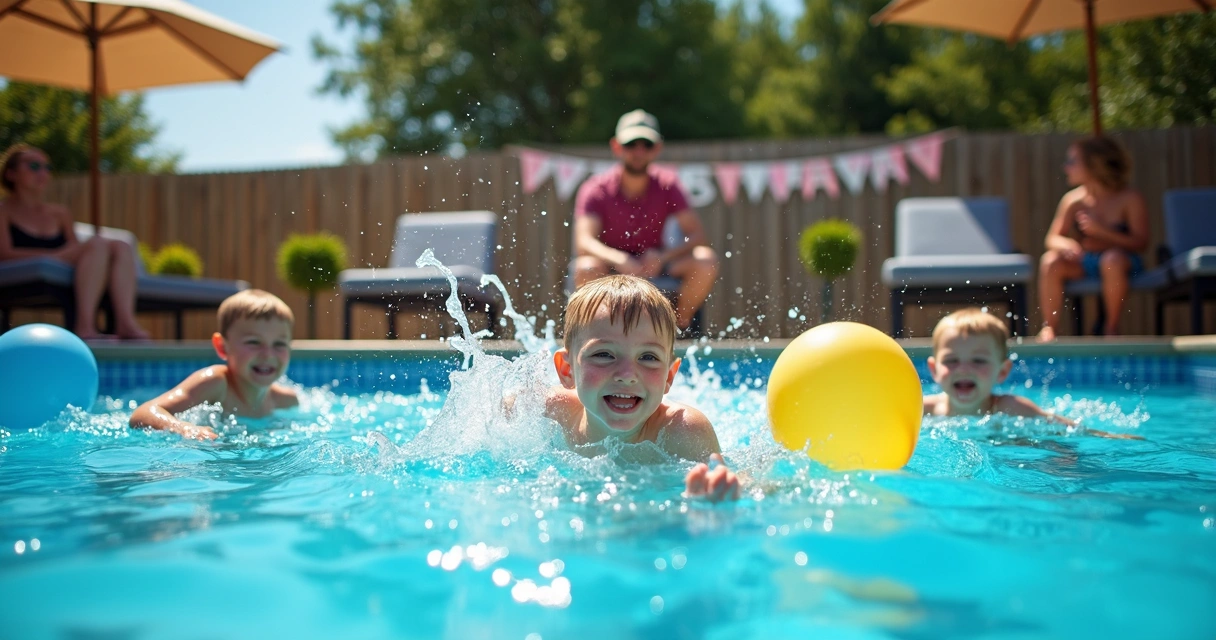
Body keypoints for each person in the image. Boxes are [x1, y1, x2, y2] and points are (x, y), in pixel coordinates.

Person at [546, 275, 740, 501]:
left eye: (648, 357)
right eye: (604, 354)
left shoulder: (683, 433)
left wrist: (714, 496)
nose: (627, 375)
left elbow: (744, 485)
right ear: (567, 370)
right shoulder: (550, 415)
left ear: (669, 375)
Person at [572, 109, 719, 333]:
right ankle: (598, 333)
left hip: (655, 265)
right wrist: (619, 259)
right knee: (586, 267)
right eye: (631, 144)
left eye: (646, 145)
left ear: (657, 148)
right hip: (611, 268)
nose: (638, 151)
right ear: (616, 146)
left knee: (706, 261)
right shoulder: (595, 189)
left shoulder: (668, 184)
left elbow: (698, 236)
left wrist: (661, 257)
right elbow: (584, 242)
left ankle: (677, 329)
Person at [0, 144, 151, 341]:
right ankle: (85, 327)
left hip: (63, 260)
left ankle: (125, 323)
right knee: (97, 244)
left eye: (47, 167)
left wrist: (62, 256)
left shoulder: (59, 213)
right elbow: (4, 254)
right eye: (34, 166)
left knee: (121, 245)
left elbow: (73, 247)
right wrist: (52, 256)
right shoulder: (4, 211)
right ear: (11, 174)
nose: (43, 172)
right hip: (33, 264)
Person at [924, 308, 1142, 439]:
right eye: (951, 360)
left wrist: (1112, 437)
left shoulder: (1011, 408)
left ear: (1003, 371)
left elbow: (1069, 429)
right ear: (934, 369)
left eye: (978, 360)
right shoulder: (922, 409)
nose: (963, 369)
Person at [130, 289, 298, 440]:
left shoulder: (286, 401)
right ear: (222, 346)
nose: (268, 354)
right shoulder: (216, 384)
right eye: (253, 342)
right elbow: (142, 413)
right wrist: (183, 428)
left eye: (279, 344)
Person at [1037, 136, 1149, 341]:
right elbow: (1052, 238)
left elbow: (1141, 243)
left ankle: (1111, 327)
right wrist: (1066, 244)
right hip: (1087, 262)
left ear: (1094, 164)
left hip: (1122, 264)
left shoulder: (1128, 198)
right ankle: (1050, 328)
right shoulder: (1073, 200)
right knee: (1050, 260)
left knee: (1111, 260)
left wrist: (1103, 232)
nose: (1065, 167)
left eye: (1072, 161)